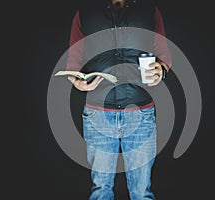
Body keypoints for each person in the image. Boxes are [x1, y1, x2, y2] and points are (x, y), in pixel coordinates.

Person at [66, 0, 171, 199]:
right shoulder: (85, 12)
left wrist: (161, 70)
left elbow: (163, 54)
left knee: (141, 193)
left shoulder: (149, 10)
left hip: (140, 112)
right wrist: (77, 81)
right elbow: (74, 61)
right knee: (101, 190)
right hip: (98, 115)